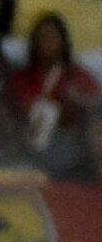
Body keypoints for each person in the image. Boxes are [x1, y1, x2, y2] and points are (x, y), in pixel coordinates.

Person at [7, 12, 100, 177]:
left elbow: (97, 103)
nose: (47, 41)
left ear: (63, 41)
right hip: (25, 149)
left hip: (69, 151)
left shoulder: (77, 77)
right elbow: (14, 112)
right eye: (42, 36)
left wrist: (81, 102)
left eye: (52, 36)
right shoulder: (20, 78)